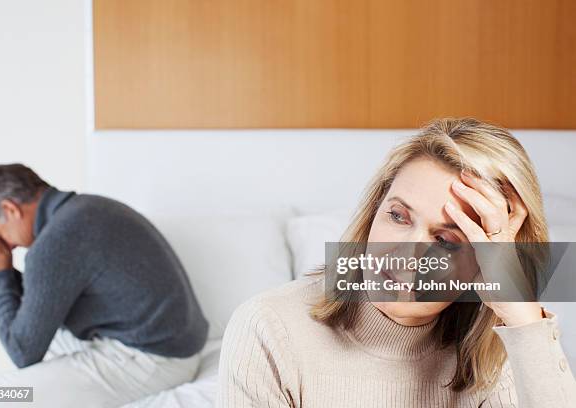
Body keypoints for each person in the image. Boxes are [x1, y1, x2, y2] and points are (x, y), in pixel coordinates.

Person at [216, 118, 576, 407]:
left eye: (445, 240)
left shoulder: (503, 355)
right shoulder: (270, 328)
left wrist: (523, 319)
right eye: (399, 216)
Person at [0, 164, 209, 407]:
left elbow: (22, 351)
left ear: (10, 210)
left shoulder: (54, 243)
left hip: (155, 359)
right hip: (174, 341)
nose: (5, 246)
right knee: (29, 341)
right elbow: (37, 312)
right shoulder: (89, 207)